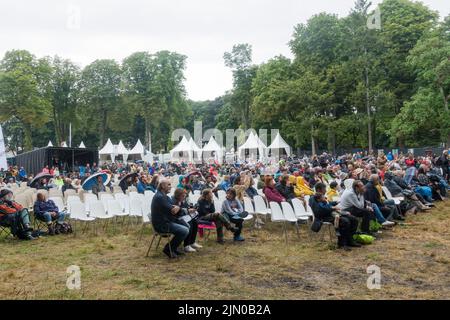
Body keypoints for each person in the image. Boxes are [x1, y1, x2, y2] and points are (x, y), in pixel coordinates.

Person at [309, 183, 360, 251]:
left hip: (332, 214)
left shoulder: (322, 196)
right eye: (324, 189)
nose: (326, 190)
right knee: (345, 221)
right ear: (319, 189)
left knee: (354, 219)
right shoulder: (313, 198)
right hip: (324, 217)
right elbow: (319, 210)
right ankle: (342, 243)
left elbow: (328, 203)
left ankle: (350, 240)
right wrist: (332, 208)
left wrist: (335, 202)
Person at [151, 179, 189, 258]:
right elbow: (173, 210)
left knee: (187, 225)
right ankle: (168, 249)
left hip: (167, 221)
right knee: (184, 230)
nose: (170, 186)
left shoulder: (165, 196)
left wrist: (177, 208)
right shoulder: (160, 197)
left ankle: (174, 248)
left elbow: (175, 209)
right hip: (162, 225)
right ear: (162, 186)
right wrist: (177, 208)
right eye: (168, 185)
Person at [172, 188, 202, 253]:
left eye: (184, 196)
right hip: (176, 219)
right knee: (189, 224)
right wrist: (187, 211)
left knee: (195, 222)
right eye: (183, 196)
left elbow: (186, 208)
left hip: (183, 217)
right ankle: (186, 245)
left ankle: (192, 242)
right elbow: (176, 212)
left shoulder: (182, 200)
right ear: (178, 195)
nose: (184, 197)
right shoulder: (173, 201)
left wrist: (191, 209)